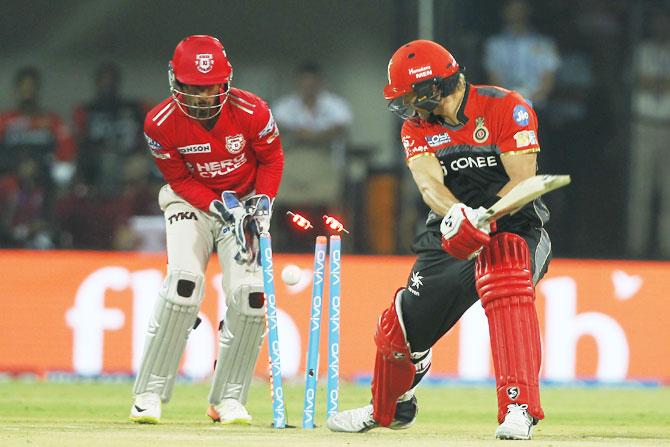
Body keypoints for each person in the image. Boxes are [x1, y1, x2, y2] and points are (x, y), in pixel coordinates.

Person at [327, 40, 551, 440]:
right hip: (452, 227)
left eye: (412, 95)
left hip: (514, 224)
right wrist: (458, 215)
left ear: (434, 87)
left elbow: (524, 181)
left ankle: (519, 407)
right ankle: (388, 408)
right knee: (399, 328)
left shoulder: (506, 107)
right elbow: (429, 186)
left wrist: (486, 216)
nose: (407, 106)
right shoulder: (416, 127)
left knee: (506, 276)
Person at [129, 35, 283, 425]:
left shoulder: (253, 111)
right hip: (190, 203)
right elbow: (179, 179)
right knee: (183, 283)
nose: (201, 97)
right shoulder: (159, 123)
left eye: (210, 88)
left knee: (251, 297)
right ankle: (148, 394)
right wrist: (217, 206)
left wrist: (262, 203)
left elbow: (271, 159)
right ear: (175, 83)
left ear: (225, 82)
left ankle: (228, 399)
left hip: (245, 202)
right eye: (192, 89)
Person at [0, 66, 76, 248]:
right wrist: (16, 168)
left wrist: (44, 169)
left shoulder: (51, 120)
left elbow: (66, 153)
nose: (28, 91)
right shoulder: (5, 120)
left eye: (31, 86)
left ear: (37, 89)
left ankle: (46, 234)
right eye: (24, 86)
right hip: (10, 178)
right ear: (17, 89)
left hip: (45, 180)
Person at [627, 7, 670, 258]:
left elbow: (647, 81)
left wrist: (652, 81)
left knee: (668, 193)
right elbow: (639, 80)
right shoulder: (642, 51)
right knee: (640, 191)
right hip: (644, 124)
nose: (661, 27)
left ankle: (666, 251)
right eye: (658, 23)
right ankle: (635, 249)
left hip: (667, 126)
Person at [483, 0, 560, 107]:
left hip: (538, 108)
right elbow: (494, 80)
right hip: (506, 106)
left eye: (520, 7)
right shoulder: (494, 45)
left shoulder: (545, 44)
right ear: (504, 11)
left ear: (528, 9)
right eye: (513, 7)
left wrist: (528, 103)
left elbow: (548, 82)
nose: (517, 12)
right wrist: (511, 103)